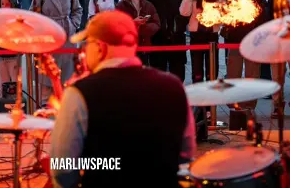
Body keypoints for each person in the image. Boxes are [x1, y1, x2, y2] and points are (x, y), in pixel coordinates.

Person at [51, 10, 196, 188]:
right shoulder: (174, 87)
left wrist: (100, 165)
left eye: (87, 44)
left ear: (100, 48)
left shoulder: (80, 93)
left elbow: (63, 168)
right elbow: (186, 155)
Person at [223, 0, 271, 109]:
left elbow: (264, 21)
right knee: (233, 73)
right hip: (236, 41)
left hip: (254, 43)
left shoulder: (261, 0)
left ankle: (249, 104)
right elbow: (228, 20)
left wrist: (259, 4)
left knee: (253, 74)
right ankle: (233, 103)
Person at [33, 0, 82, 96]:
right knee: (48, 69)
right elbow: (33, 13)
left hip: (67, 31)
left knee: (67, 68)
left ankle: (65, 98)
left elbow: (77, 9)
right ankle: (45, 99)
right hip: (49, 33)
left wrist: (74, 24)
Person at [146, 0, 188, 81]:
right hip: (159, 34)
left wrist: (180, 24)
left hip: (177, 33)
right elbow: (148, 7)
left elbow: (187, 9)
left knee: (178, 68)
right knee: (158, 68)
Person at [179, 0, 221, 85]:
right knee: (196, 71)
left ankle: (211, 99)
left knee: (211, 72)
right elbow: (183, 12)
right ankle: (198, 97)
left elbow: (223, 18)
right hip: (196, 35)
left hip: (212, 36)